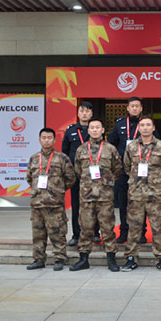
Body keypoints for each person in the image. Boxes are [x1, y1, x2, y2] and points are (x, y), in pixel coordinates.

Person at [70, 118, 122, 272]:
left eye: (97, 127)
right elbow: (77, 170)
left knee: (107, 228)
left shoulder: (110, 149)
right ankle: (83, 259)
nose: (94, 130)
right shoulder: (81, 150)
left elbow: (117, 169)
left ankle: (111, 259)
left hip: (105, 196)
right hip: (86, 196)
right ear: (88, 130)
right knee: (85, 228)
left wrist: (107, 182)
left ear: (103, 130)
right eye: (92, 127)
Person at [122, 115, 161, 272]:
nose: (145, 128)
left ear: (153, 128)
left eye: (148, 125)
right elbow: (126, 166)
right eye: (142, 125)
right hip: (136, 194)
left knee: (158, 226)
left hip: (154, 194)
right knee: (134, 226)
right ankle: (131, 258)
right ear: (139, 128)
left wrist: (157, 179)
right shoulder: (131, 146)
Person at [25, 128, 76, 271]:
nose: (46, 140)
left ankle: (60, 258)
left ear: (54, 140)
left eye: (49, 138)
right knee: (38, 233)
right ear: (39, 140)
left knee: (57, 232)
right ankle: (38, 259)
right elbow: (29, 178)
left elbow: (71, 178)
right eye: (44, 138)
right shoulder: (34, 158)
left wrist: (58, 190)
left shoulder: (62, 158)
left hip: (55, 203)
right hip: (37, 203)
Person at [108, 97, 150, 244]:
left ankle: (141, 232)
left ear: (141, 108)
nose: (134, 108)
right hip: (123, 170)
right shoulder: (120, 124)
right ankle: (124, 231)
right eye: (132, 106)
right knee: (123, 201)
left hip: (141, 171)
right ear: (127, 108)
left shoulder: (146, 124)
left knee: (141, 202)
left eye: (137, 106)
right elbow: (111, 143)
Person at [62, 101, 93, 247]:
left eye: (87, 111)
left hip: (93, 176)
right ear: (78, 113)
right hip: (76, 175)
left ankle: (95, 233)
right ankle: (76, 234)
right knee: (76, 205)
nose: (84, 114)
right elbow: (65, 152)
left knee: (94, 205)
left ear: (91, 113)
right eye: (82, 111)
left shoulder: (95, 128)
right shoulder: (71, 130)